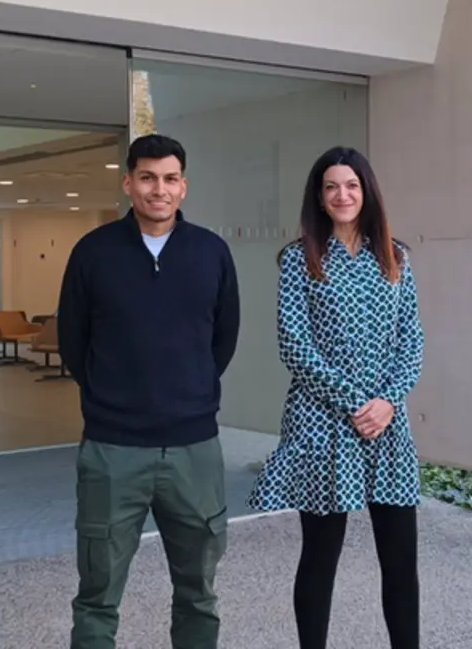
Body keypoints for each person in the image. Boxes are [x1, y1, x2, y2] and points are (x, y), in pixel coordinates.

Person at [57, 133, 241, 649]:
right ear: (128, 183)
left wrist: (190, 392)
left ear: (183, 186)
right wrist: (112, 397)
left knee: (199, 593)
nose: (159, 189)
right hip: (113, 449)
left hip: (194, 450)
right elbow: (73, 341)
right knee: (97, 594)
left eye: (169, 178)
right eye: (147, 178)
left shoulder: (211, 252)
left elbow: (223, 339)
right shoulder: (93, 252)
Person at [247, 146, 425, 649]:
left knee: (400, 560)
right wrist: (354, 402)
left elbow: (411, 339)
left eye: (351, 185)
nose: (342, 195)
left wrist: (387, 401)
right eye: (331, 187)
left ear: (366, 192)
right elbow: (294, 345)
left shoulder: (395, 257)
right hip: (323, 423)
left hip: (387, 424)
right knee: (321, 556)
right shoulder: (299, 258)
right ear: (319, 197)